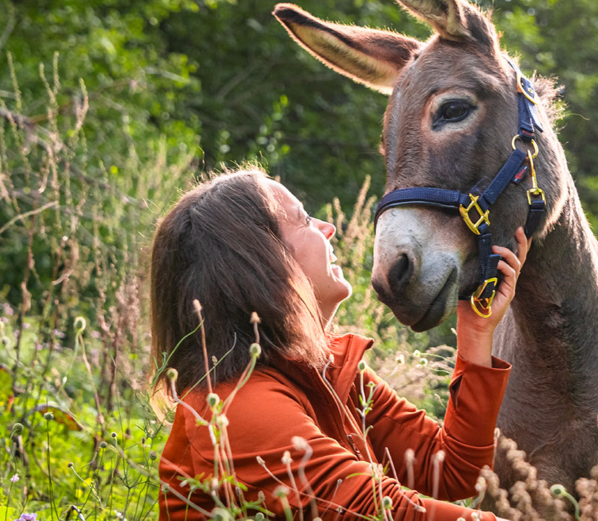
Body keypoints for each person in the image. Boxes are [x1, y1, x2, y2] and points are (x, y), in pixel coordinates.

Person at [150, 168, 529, 521]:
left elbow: (450, 469)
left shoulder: (327, 369)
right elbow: (377, 510)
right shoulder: (234, 408)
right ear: (258, 260)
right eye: (302, 220)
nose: (327, 227)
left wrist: (476, 333)